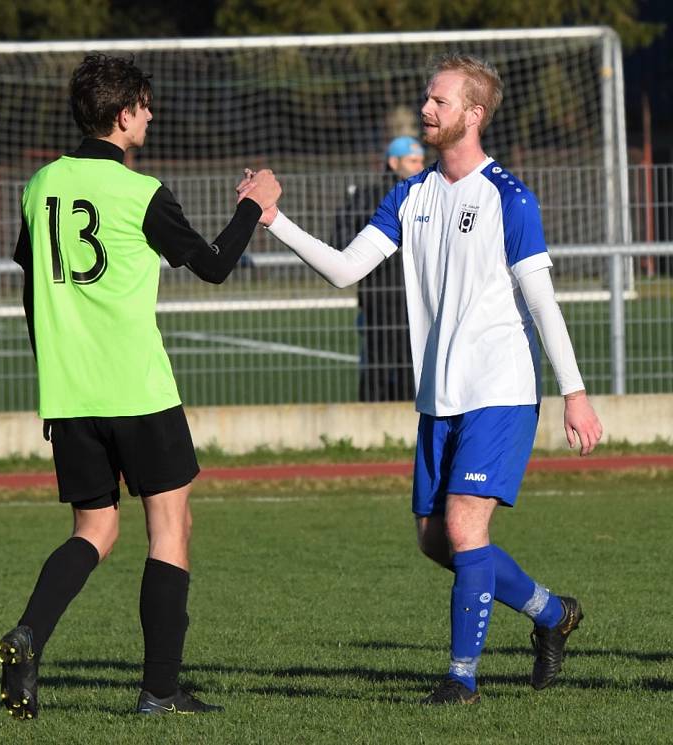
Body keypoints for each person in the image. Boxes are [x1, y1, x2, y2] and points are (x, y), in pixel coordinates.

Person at [242, 53, 603, 705]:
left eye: (439, 102)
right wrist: (275, 221)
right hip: (440, 395)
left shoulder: (509, 198)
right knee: (438, 541)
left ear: (474, 113)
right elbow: (348, 268)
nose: (426, 110)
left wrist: (575, 393)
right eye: (427, 99)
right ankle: (552, 614)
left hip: (501, 388)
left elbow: (543, 301)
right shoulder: (411, 194)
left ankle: (461, 679)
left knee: (466, 529)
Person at [0, 53, 280, 719]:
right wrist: (252, 205)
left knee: (93, 529)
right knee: (171, 525)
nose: (150, 117)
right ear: (123, 116)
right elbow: (213, 266)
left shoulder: (40, 186)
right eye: (145, 108)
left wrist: (53, 386)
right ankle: (159, 691)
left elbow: (30, 292)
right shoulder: (140, 192)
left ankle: (29, 632)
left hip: (71, 394)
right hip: (140, 390)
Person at [334, 136, 425, 401]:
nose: (419, 166)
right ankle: (372, 417)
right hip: (380, 294)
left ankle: (410, 417)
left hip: (415, 294)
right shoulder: (369, 197)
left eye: (421, 160)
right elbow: (344, 237)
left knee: (413, 361)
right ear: (393, 162)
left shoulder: (428, 194)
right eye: (412, 161)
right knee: (379, 360)